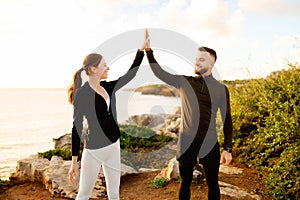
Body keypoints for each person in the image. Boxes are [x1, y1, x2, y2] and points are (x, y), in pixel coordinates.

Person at [143, 29, 233, 200]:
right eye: (196, 58)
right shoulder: (185, 82)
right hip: (186, 141)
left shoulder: (221, 89)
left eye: (202, 59)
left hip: (210, 142)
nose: (197, 62)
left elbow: (227, 119)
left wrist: (228, 148)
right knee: (185, 182)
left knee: (213, 183)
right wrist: (149, 52)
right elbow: (159, 72)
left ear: (212, 63)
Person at [67, 34, 148, 200]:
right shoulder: (82, 94)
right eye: (104, 65)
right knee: (84, 194)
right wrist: (74, 161)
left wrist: (141, 51)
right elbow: (77, 127)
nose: (108, 67)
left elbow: (129, 76)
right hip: (94, 150)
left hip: (114, 145)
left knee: (114, 194)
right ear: (93, 69)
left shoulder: (108, 87)